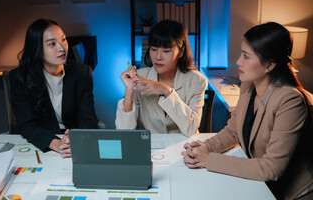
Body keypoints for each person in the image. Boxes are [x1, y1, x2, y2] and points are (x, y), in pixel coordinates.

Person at [182, 22, 313, 200]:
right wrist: (205, 148)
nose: (238, 62)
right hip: (262, 186)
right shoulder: (248, 84)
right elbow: (234, 130)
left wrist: (208, 159)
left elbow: (271, 168)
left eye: (246, 56)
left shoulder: (290, 100)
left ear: (270, 64)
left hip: (292, 194)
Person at [10, 19, 98, 157]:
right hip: (41, 142)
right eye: (52, 44)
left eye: (63, 40)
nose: (62, 48)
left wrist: (78, 137)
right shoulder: (20, 77)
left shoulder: (82, 72)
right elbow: (26, 123)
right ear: (37, 49)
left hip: (72, 143)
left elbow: (89, 118)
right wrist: (54, 142)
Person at [115, 20, 208, 136]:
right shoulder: (140, 77)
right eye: (153, 49)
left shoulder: (196, 81)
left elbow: (191, 129)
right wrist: (129, 90)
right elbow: (124, 132)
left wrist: (167, 91)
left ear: (181, 52)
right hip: (151, 147)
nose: (158, 57)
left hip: (184, 147)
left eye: (166, 51)